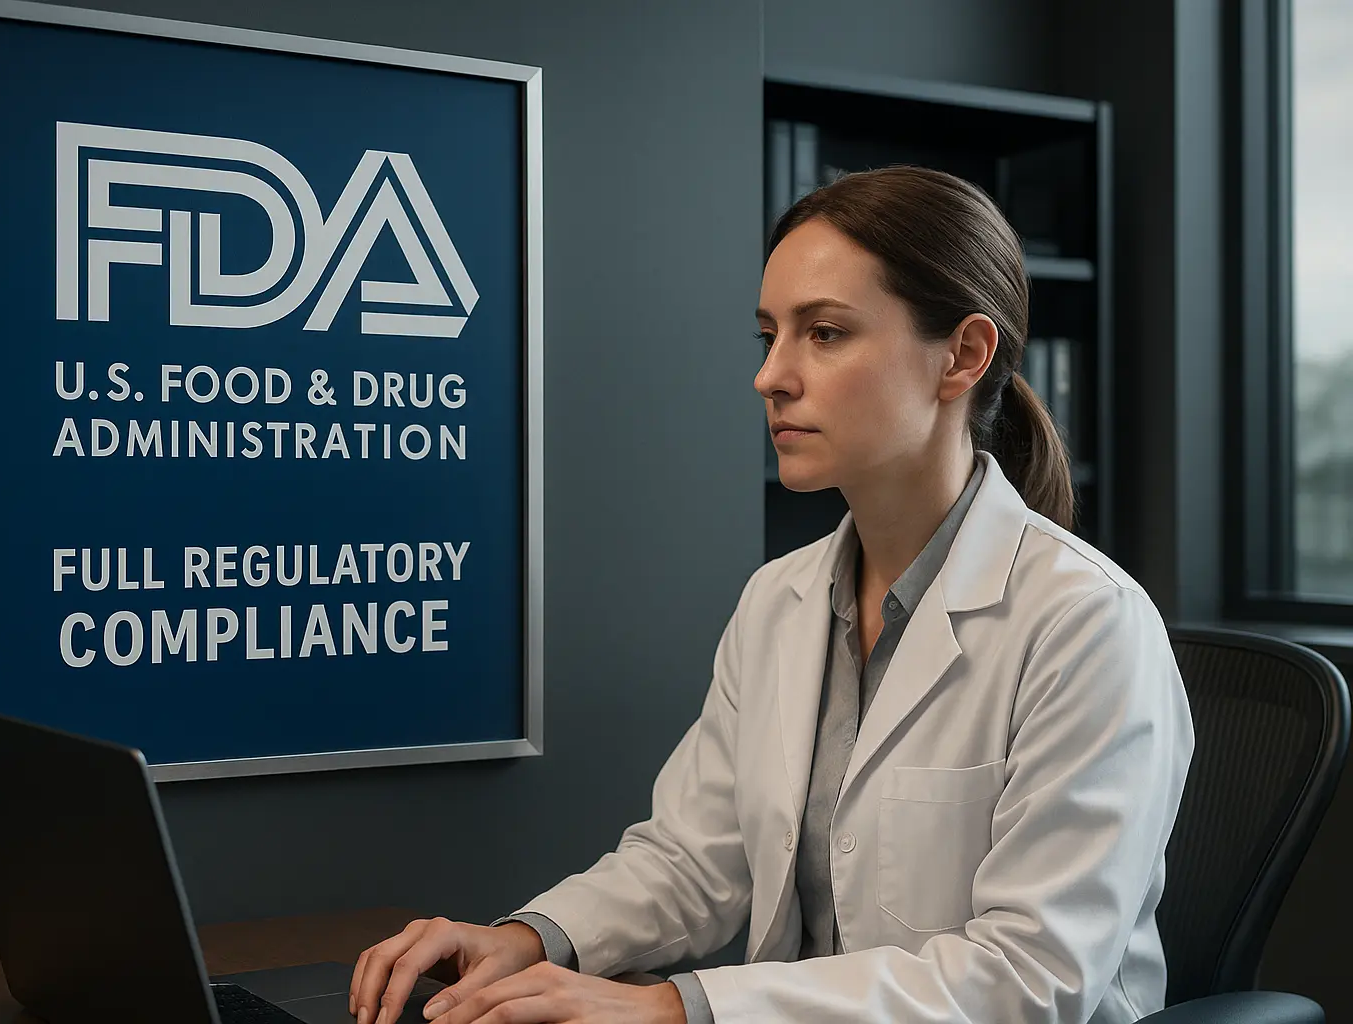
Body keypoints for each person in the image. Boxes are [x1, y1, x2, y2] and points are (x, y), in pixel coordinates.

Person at [348, 166, 1196, 1024]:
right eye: (769, 336)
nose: (772, 377)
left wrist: (674, 1010)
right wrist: (532, 939)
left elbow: (1026, 978)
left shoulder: (1086, 625)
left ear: (963, 356)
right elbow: (696, 859)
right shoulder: (778, 601)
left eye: (824, 334)